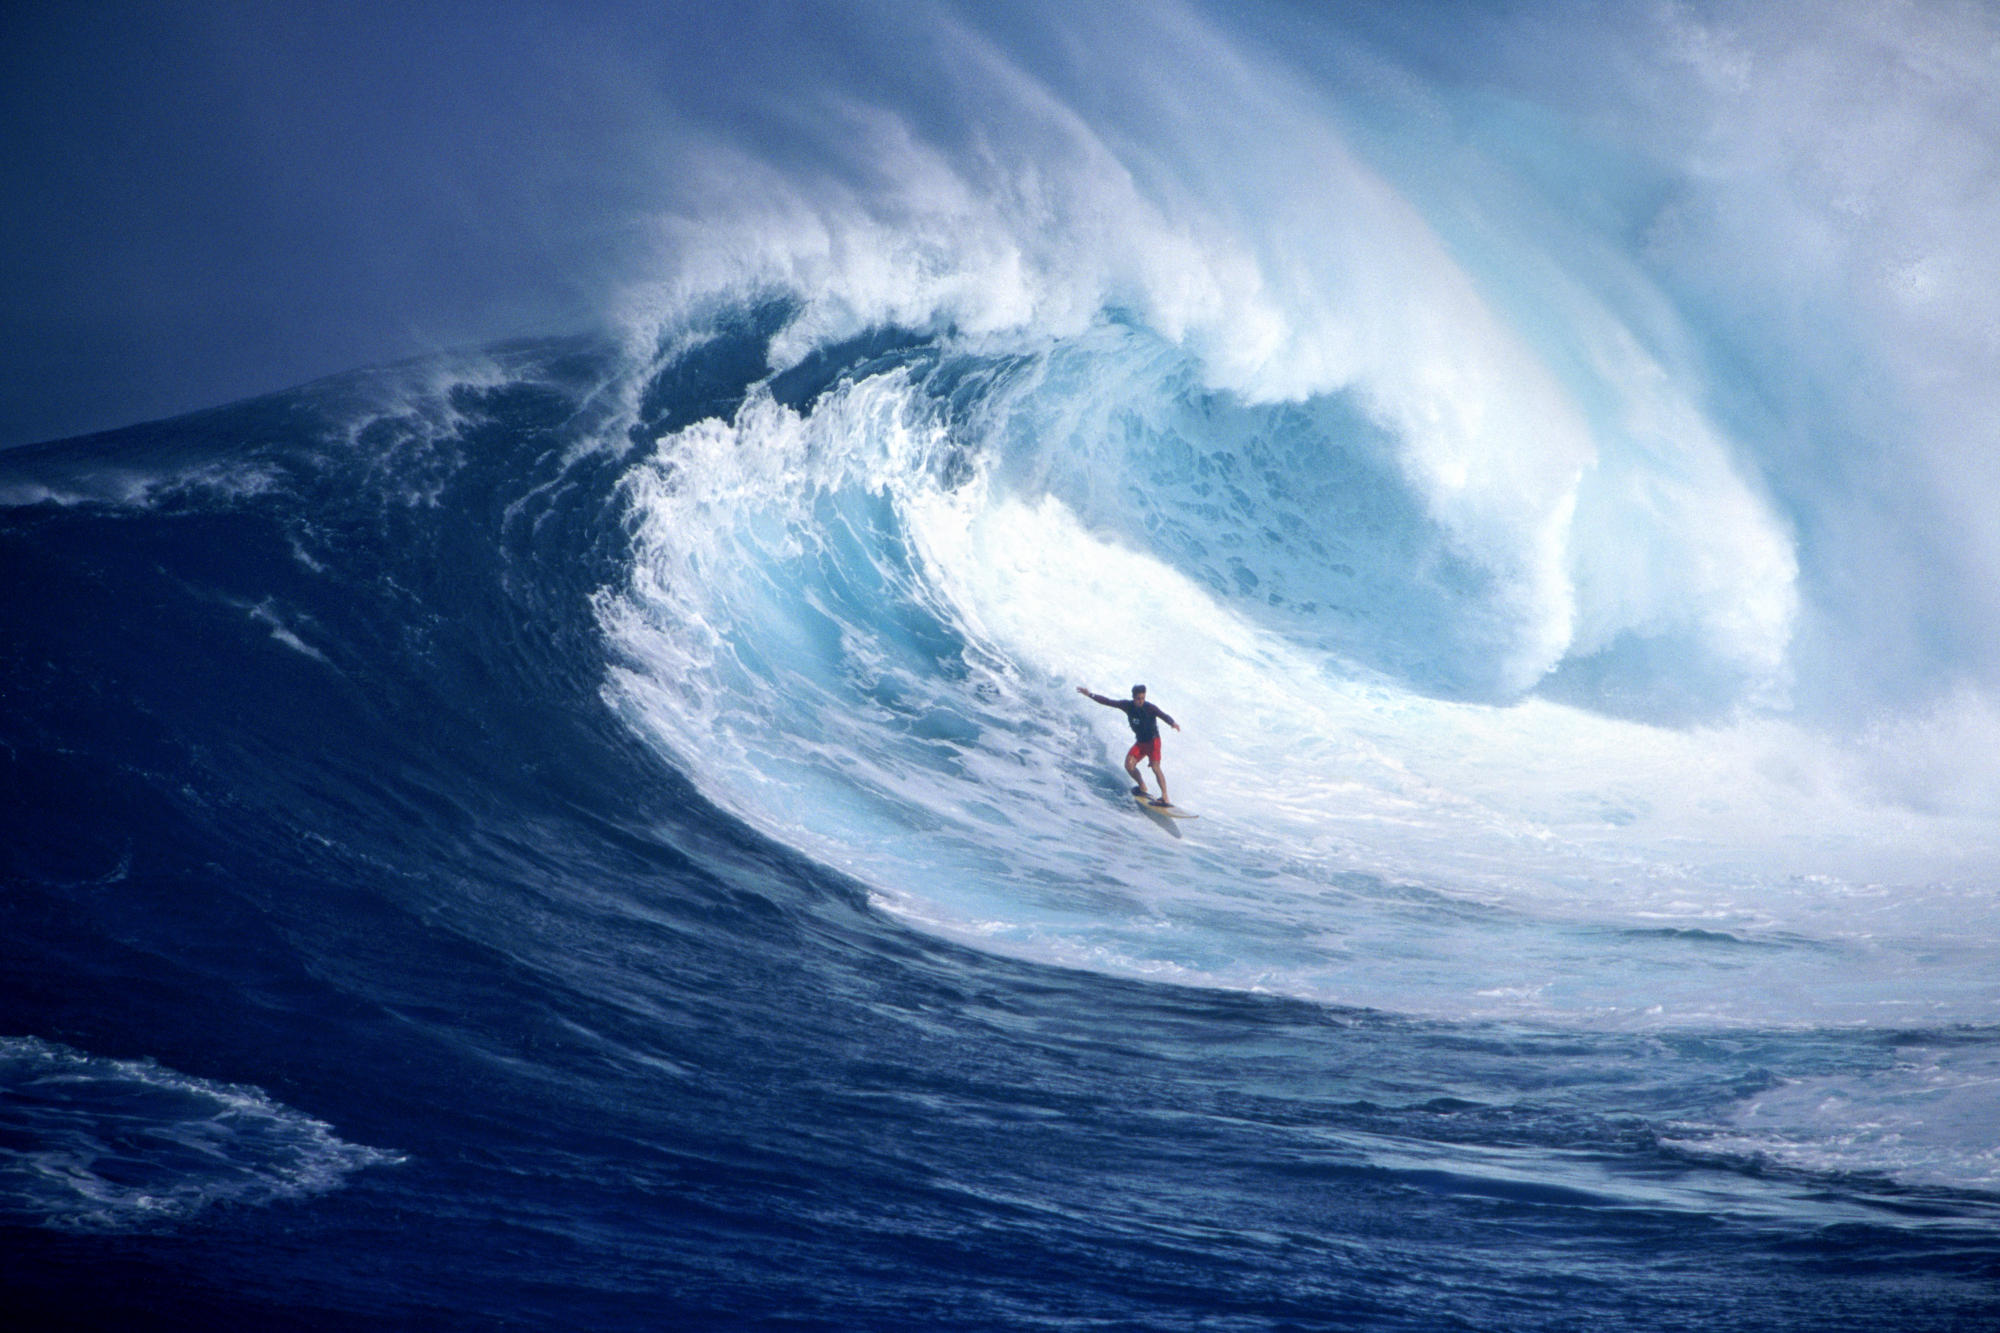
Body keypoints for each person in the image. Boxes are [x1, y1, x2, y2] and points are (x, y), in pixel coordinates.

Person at [1076, 683, 1181, 806]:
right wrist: (1090, 694)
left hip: (1153, 742)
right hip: (1140, 742)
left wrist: (1172, 723)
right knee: (1129, 765)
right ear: (1133, 697)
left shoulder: (1150, 708)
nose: (1141, 701)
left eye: (1143, 698)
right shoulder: (1127, 706)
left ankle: (1165, 797)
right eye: (1138, 698)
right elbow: (1108, 702)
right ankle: (1142, 787)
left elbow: (1163, 715)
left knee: (1155, 767)